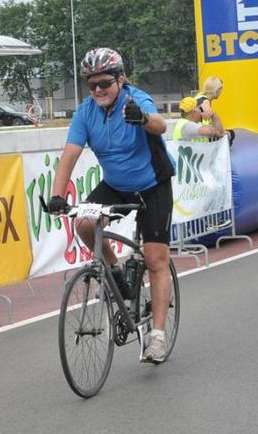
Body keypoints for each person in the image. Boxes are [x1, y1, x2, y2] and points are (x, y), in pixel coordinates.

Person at [47, 48, 175, 363]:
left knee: (156, 260)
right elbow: (70, 154)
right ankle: (115, 271)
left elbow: (160, 125)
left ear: (120, 79)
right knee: (84, 223)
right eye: (92, 85)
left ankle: (157, 337)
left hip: (153, 185)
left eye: (105, 83)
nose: (98, 90)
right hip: (116, 186)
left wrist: (142, 119)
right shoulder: (85, 113)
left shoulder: (135, 99)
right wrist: (57, 195)